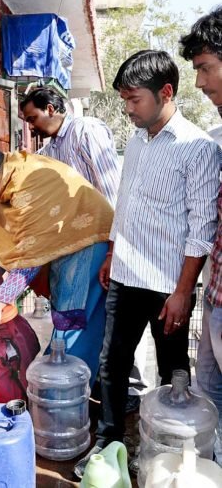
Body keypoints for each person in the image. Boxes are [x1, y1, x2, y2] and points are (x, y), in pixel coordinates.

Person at [73, 49, 220, 479]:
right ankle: (110, 441)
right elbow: (126, 203)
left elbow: (202, 227)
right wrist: (112, 252)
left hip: (167, 284)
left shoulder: (197, 147)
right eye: (124, 100)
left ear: (166, 92)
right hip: (124, 274)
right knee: (112, 362)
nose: (129, 109)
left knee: (174, 368)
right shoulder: (136, 141)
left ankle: (173, 451)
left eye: (134, 99)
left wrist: (181, 292)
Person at [21, 87, 149, 414]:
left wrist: (112, 250)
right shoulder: (50, 150)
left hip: (98, 244)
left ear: (51, 108)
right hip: (71, 248)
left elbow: (112, 191)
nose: (31, 126)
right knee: (85, 320)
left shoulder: (84, 130)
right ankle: (84, 391)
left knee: (81, 321)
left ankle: (72, 395)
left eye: (33, 118)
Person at [0, 139, 114, 387]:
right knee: (65, 321)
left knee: (73, 323)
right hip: (61, 249)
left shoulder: (28, 182)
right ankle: (68, 393)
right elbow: (9, 246)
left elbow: (29, 258)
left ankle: (63, 396)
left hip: (86, 244)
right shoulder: (3, 185)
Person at [180, 6, 222, 465]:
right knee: (209, 397)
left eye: (206, 68)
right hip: (215, 295)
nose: (201, 83)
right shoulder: (216, 137)